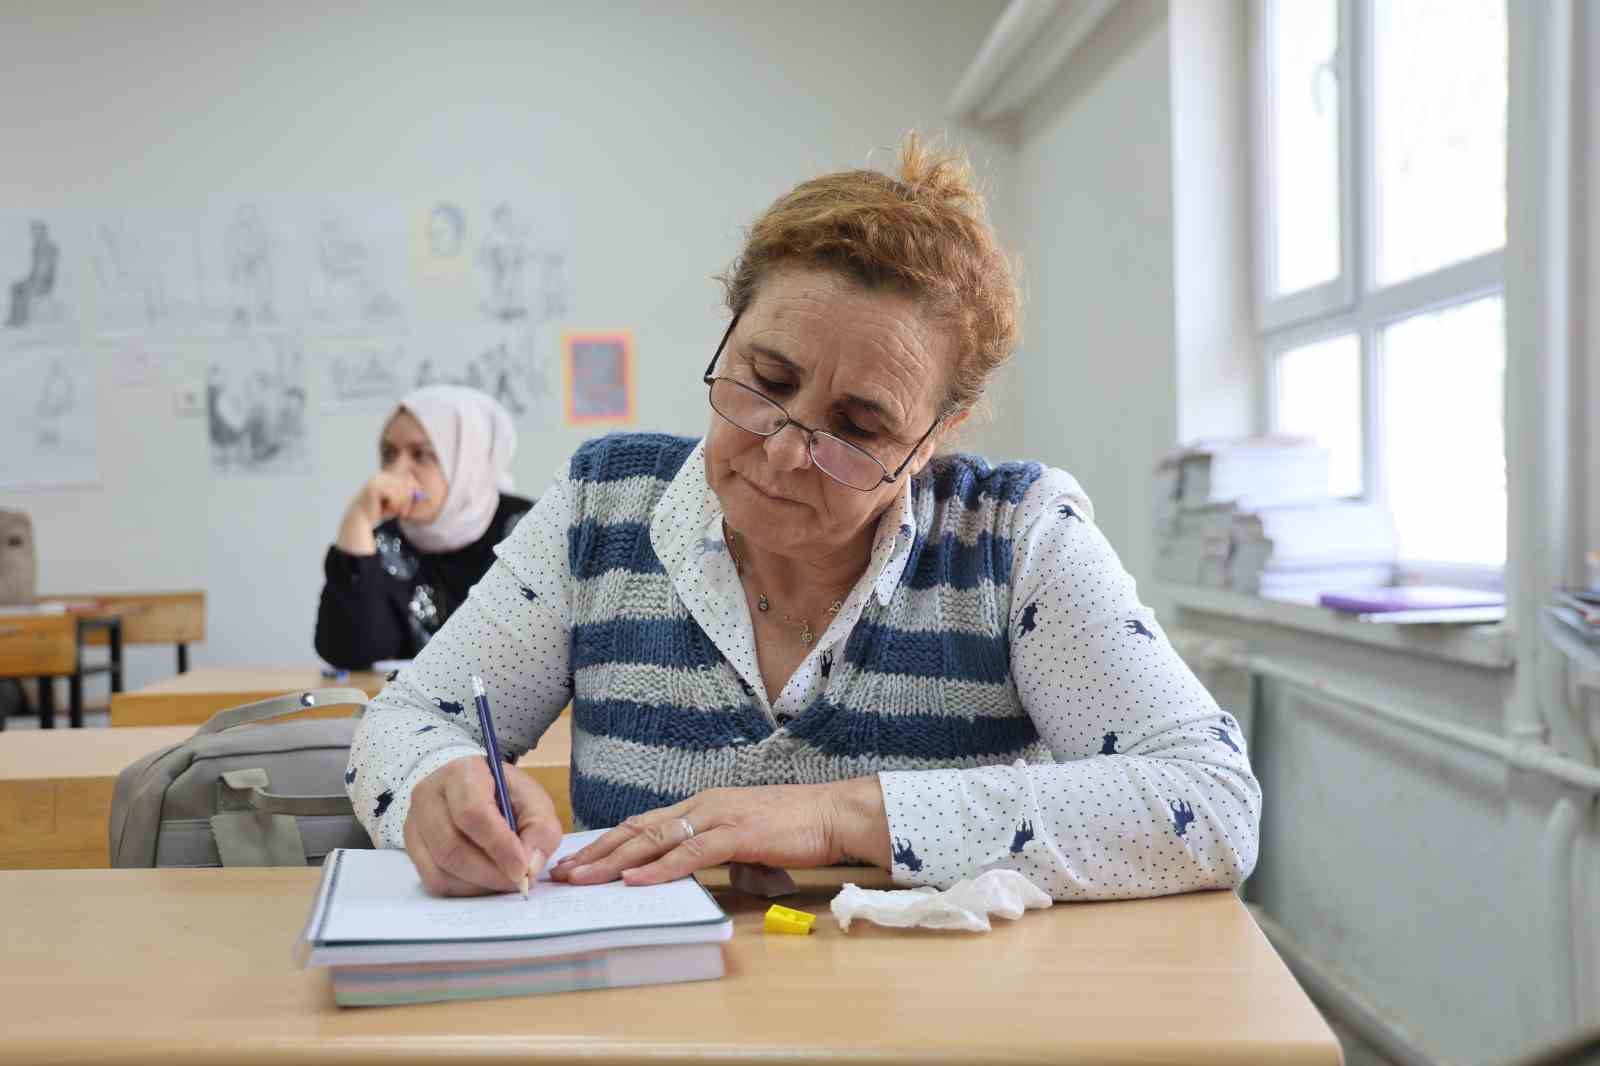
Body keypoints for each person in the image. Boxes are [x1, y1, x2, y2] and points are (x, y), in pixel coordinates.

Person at [346, 134, 1260, 902]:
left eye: (860, 427)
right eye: (766, 381)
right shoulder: (603, 511)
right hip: (653, 1018)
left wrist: (838, 814)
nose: (784, 451)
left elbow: (1213, 800)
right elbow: (405, 721)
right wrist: (433, 784)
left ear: (940, 433)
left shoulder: (1014, 542)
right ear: (729, 328)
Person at [315, 385, 530, 669]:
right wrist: (357, 522)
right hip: (413, 712)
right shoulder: (384, 541)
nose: (397, 471)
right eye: (389, 454)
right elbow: (350, 653)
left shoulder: (529, 531)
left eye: (421, 454)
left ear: (468, 459)